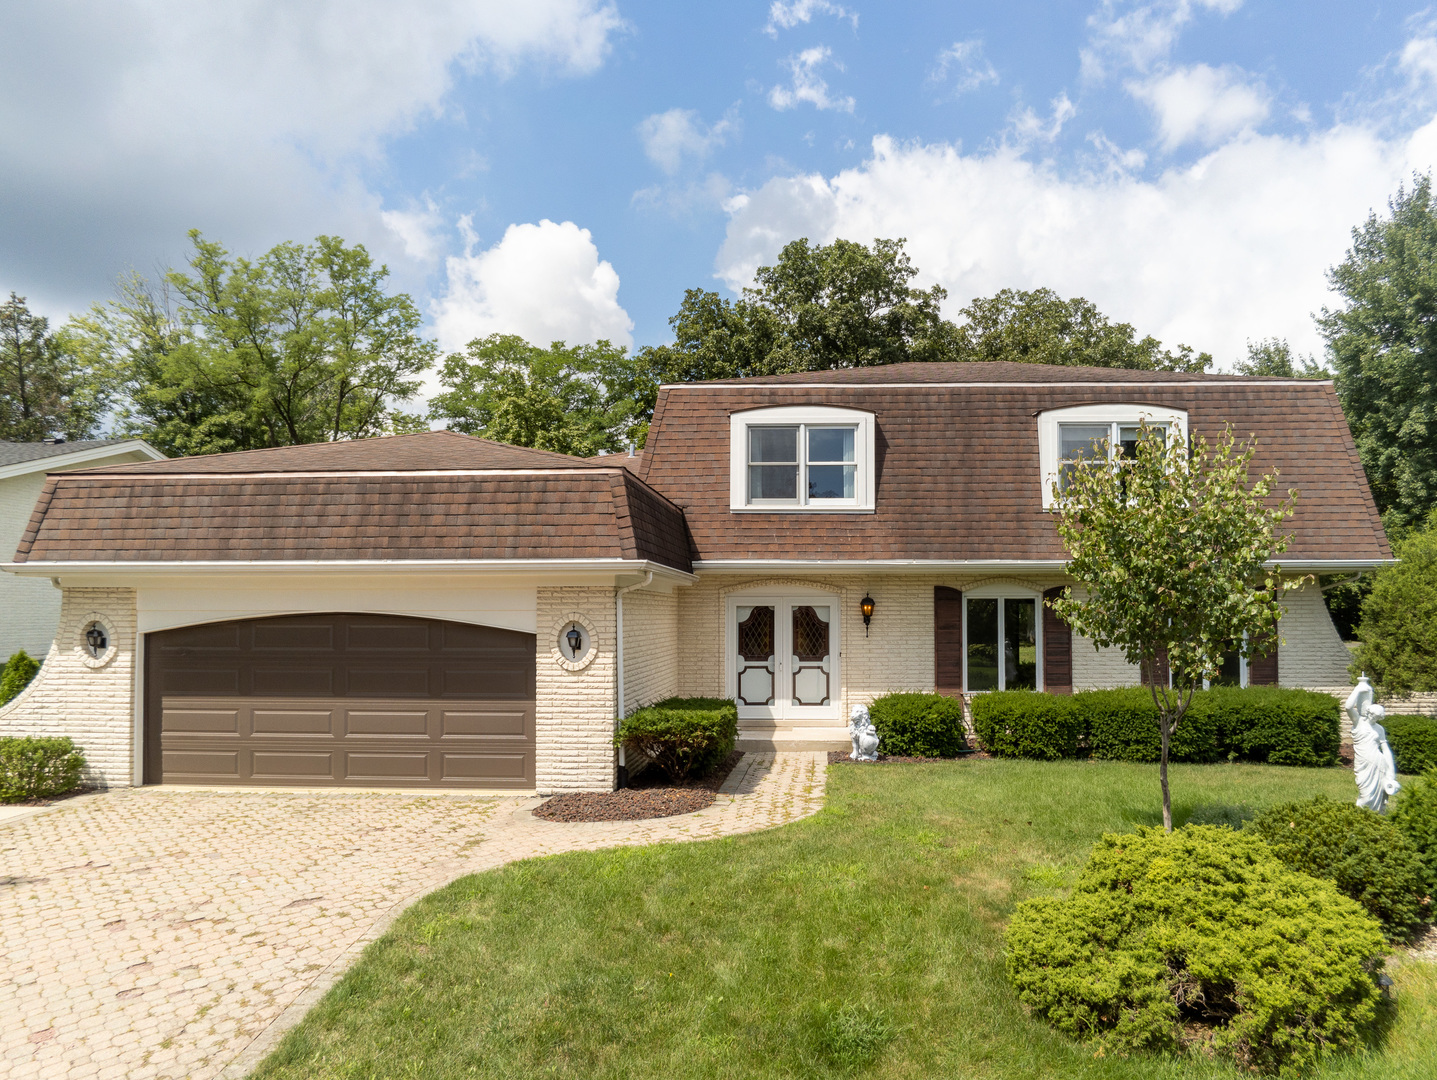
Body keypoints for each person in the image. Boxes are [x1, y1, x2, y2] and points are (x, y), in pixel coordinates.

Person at [1345, 675, 1401, 813]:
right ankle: (1359, 818)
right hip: (1363, 763)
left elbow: (1385, 750)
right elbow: (1348, 707)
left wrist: (1391, 772)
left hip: (1378, 763)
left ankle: (1377, 818)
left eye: (1376, 717)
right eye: (1372, 715)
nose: (1372, 718)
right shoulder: (1358, 722)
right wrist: (1358, 689)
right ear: (1369, 712)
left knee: (1379, 795)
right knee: (1366, 795)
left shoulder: (1379, 729)